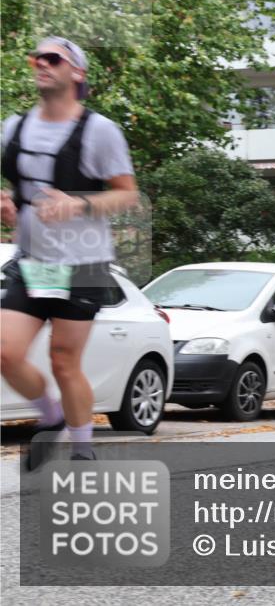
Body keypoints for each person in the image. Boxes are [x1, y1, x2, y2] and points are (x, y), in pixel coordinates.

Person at [1, 37, 138, 466]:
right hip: (33, 261)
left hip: (83, 264)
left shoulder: (99, 131)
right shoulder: (14, 126)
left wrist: (78, 204)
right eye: (37, 58)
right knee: (5, 352)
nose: (42, 63)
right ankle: (51, 417)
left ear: (76, 72)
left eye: (53, 58)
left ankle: (81, 449)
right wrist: (8, 203)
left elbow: (127, 195)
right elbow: (20, 190)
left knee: (64, 361)